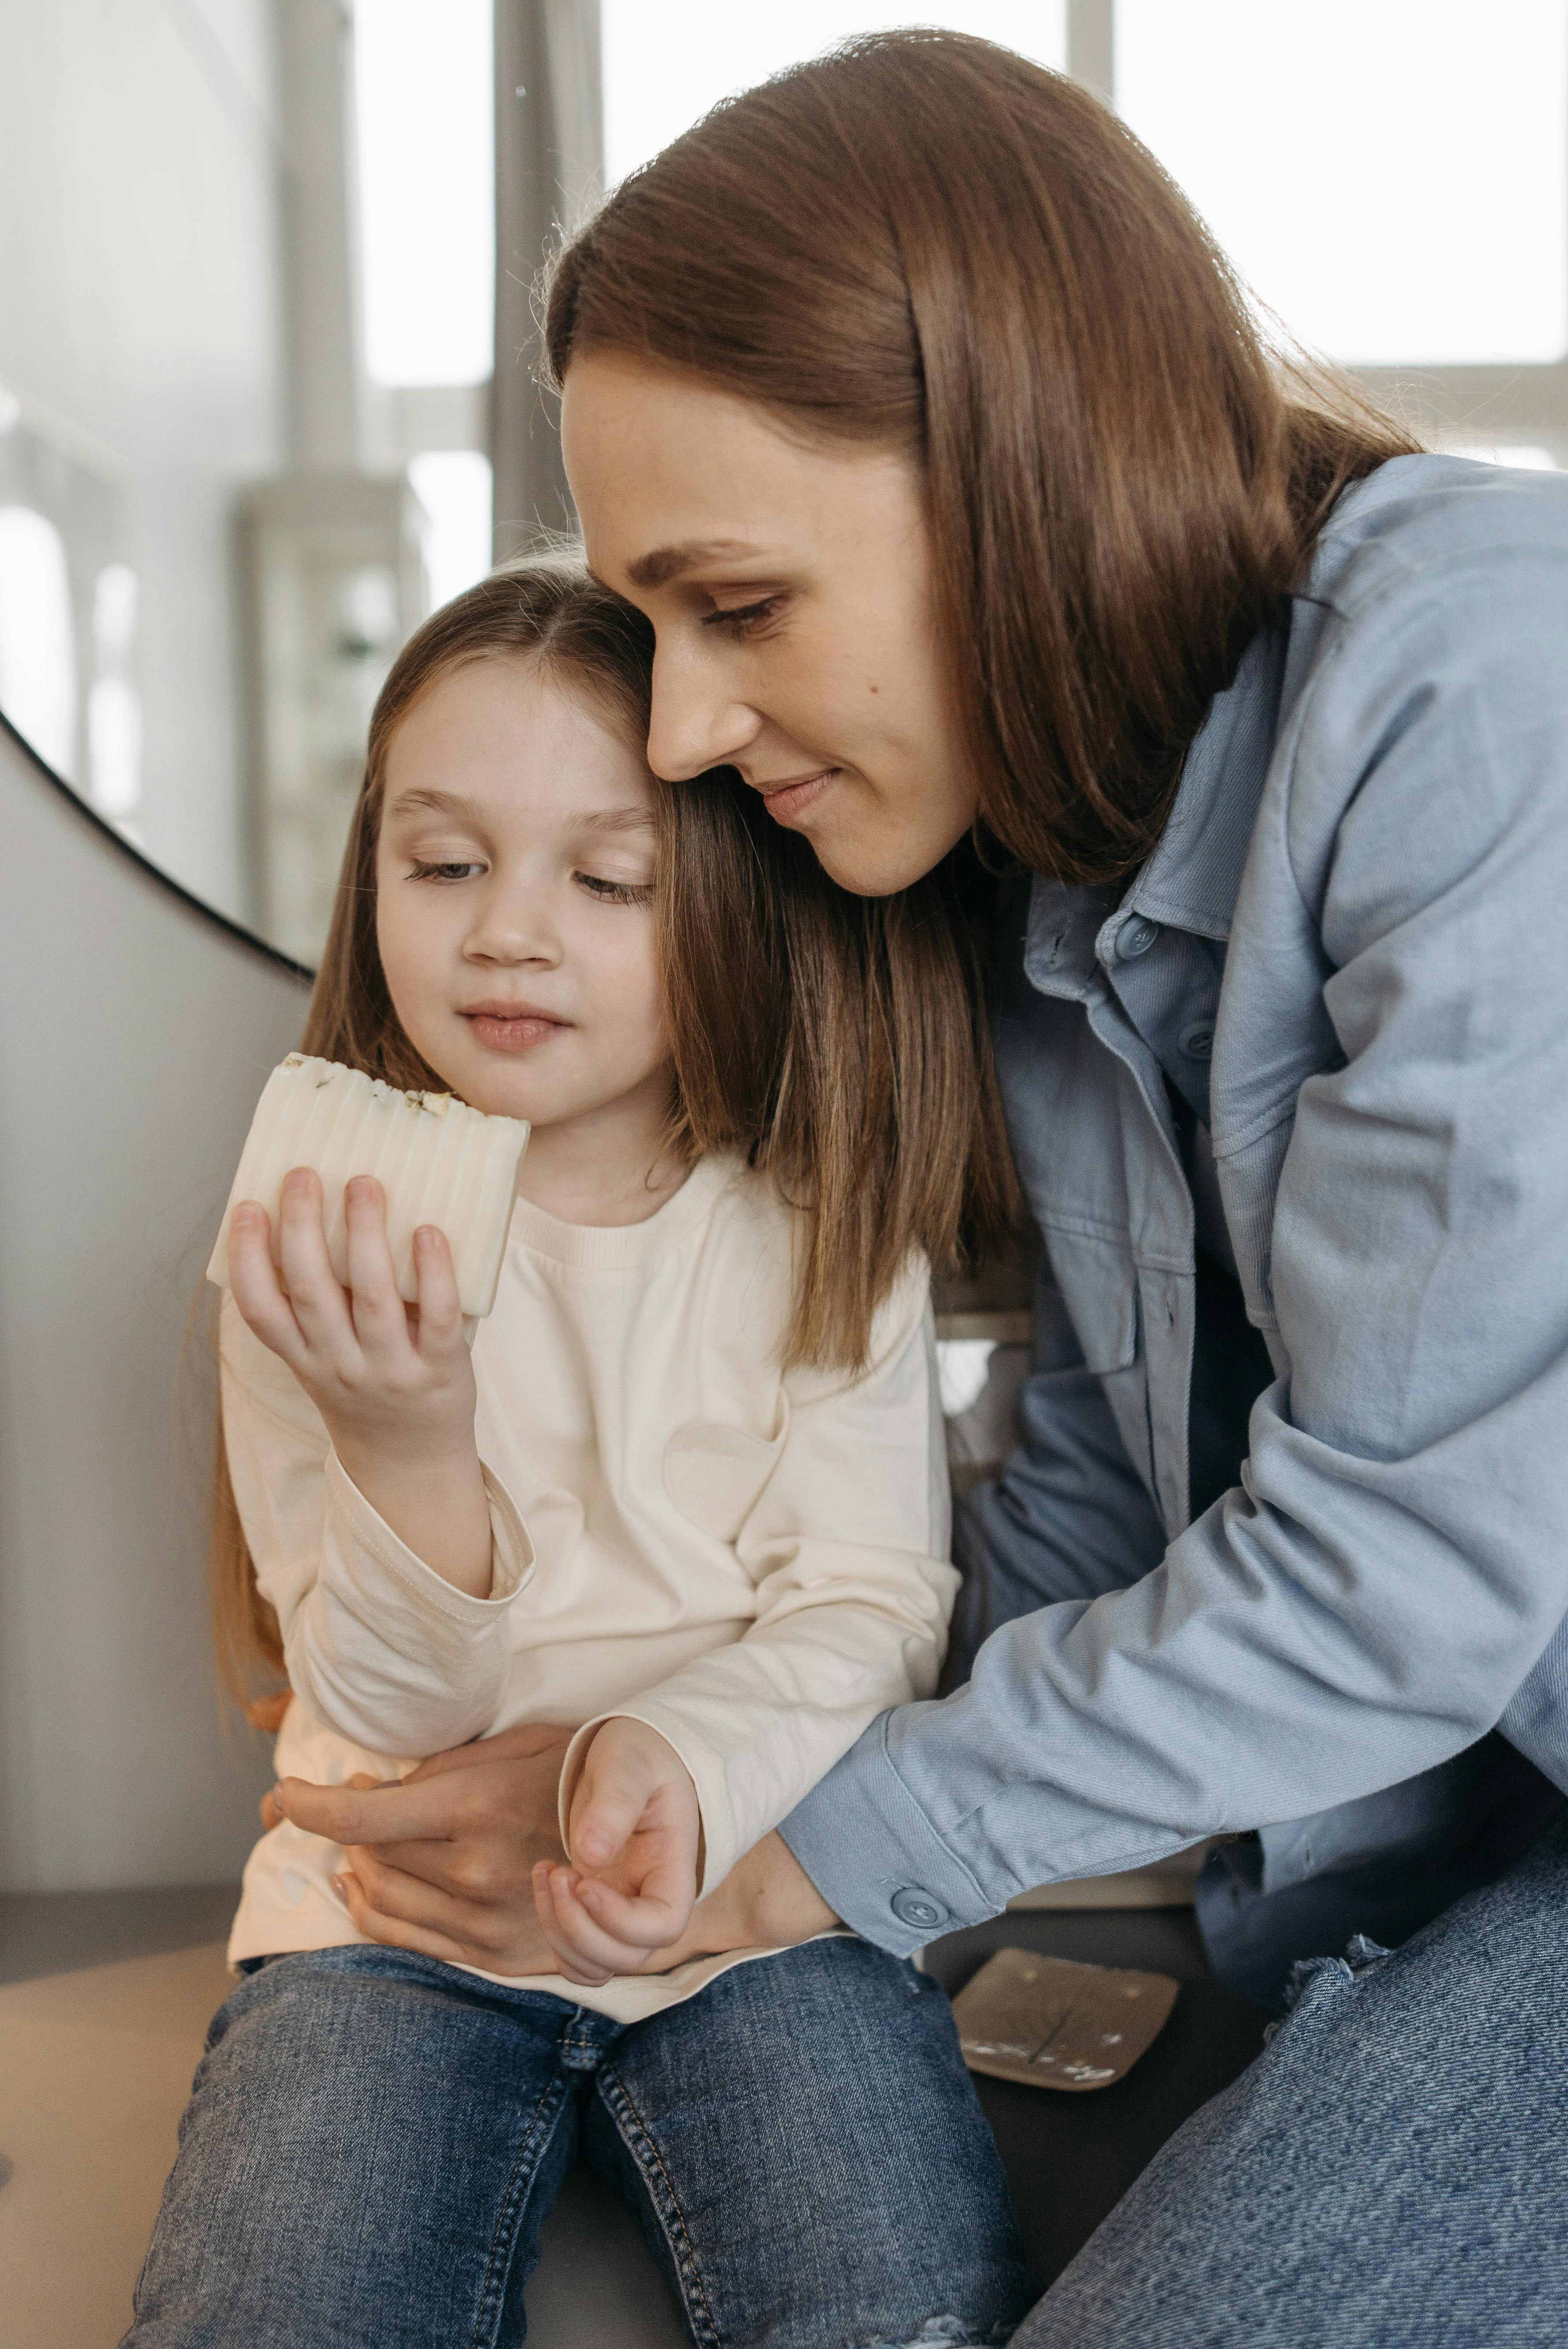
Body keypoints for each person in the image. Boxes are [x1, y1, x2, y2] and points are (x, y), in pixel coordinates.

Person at [286, 33, 1568, 2344]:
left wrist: (809, 1853)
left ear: (1021, 479)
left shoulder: (1478, 673)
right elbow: (1091, 1496)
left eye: (737, 608)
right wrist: (664, 1768)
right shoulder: (1026, 907)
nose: (674, 732)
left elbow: (1402, 1567)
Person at [125, 559, 1036, 2346]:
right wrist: (407, 1435)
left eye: (605, 878)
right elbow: (382, 1710)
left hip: (755, 1906)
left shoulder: (817, 1227)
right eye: (443, 861)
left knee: (896, 2308)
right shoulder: (320, 1241)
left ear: (734, 902)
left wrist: (674, 1763)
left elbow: (868, 1606)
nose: (507, 932)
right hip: (387, 1913)